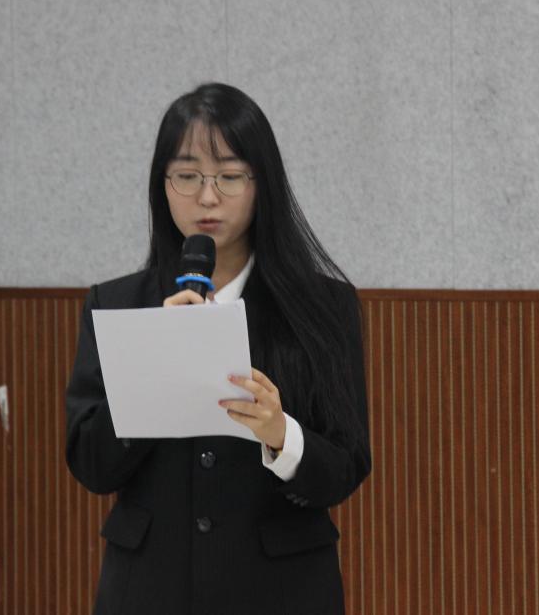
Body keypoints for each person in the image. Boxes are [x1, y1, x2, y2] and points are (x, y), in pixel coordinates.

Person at [64, 83, 371, 615]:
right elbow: (92, 465)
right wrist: (154, 365)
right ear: (163, 184)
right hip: (150, 589)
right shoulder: (116, 304)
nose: (207, 198)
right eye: (187, 176)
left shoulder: (322, 306)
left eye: (229, 176)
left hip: (281, 591)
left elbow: (346, 467)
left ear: (261, 184)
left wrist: (281, 435)